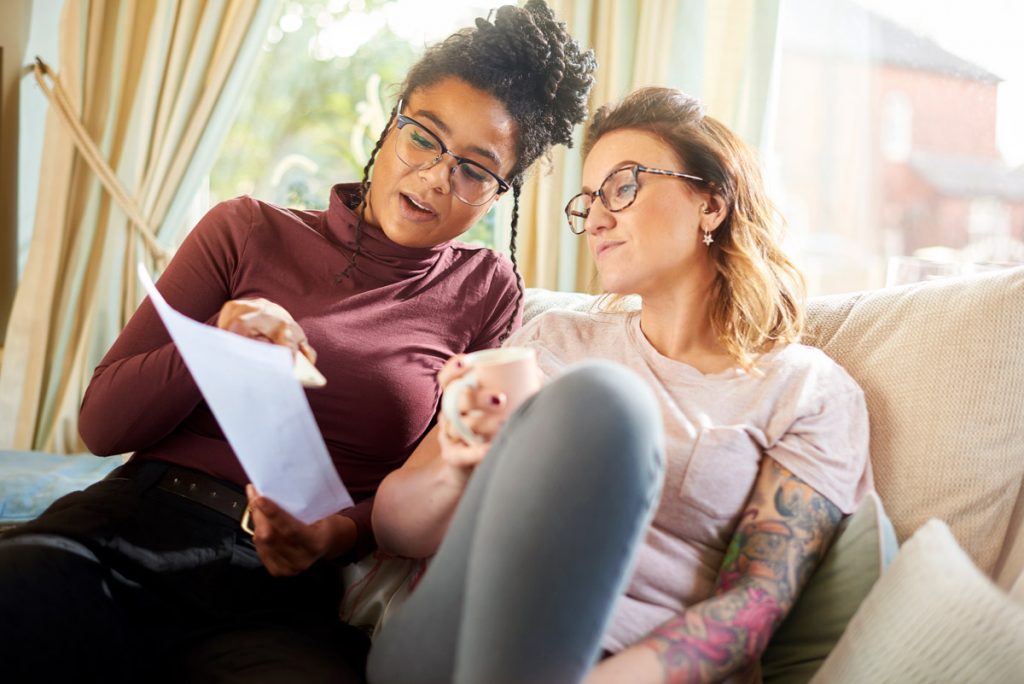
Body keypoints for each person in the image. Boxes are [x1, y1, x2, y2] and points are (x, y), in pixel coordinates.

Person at [0, 2, 596, 681]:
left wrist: (332, 535)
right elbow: (103, 427)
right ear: (391, 124)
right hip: (130, 526)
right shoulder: (245, 229)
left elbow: (430, 478)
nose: (437, 175)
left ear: (497, 194)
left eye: (475, 170)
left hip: (281, 588)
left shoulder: (484, 290)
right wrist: (216, 344)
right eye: (424, 137)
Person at [367, 86, 874, 684]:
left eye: (622, 187)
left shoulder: (807, 391)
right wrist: (461, 460)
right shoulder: (552, 339)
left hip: (617, 666)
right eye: (588, 201)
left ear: (711, 204)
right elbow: (395, 530)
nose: (597, 219)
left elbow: (752, 607)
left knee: (608, 403)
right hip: (452, 635)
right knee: (599, 399)